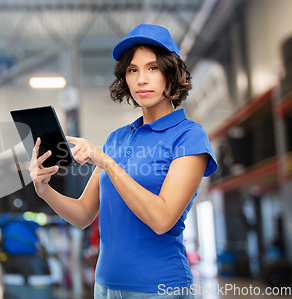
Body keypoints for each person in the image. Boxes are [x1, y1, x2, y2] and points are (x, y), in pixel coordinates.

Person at [28, 24, 218, 298]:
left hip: (158, 288)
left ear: (171, 73)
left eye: (152, 68)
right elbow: (83, 214)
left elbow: (162, 219)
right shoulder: (116, 139)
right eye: (133, 70)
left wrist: (107, 163)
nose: (142, 79)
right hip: (105, 287)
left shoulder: (189, 137)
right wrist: (44, 190)